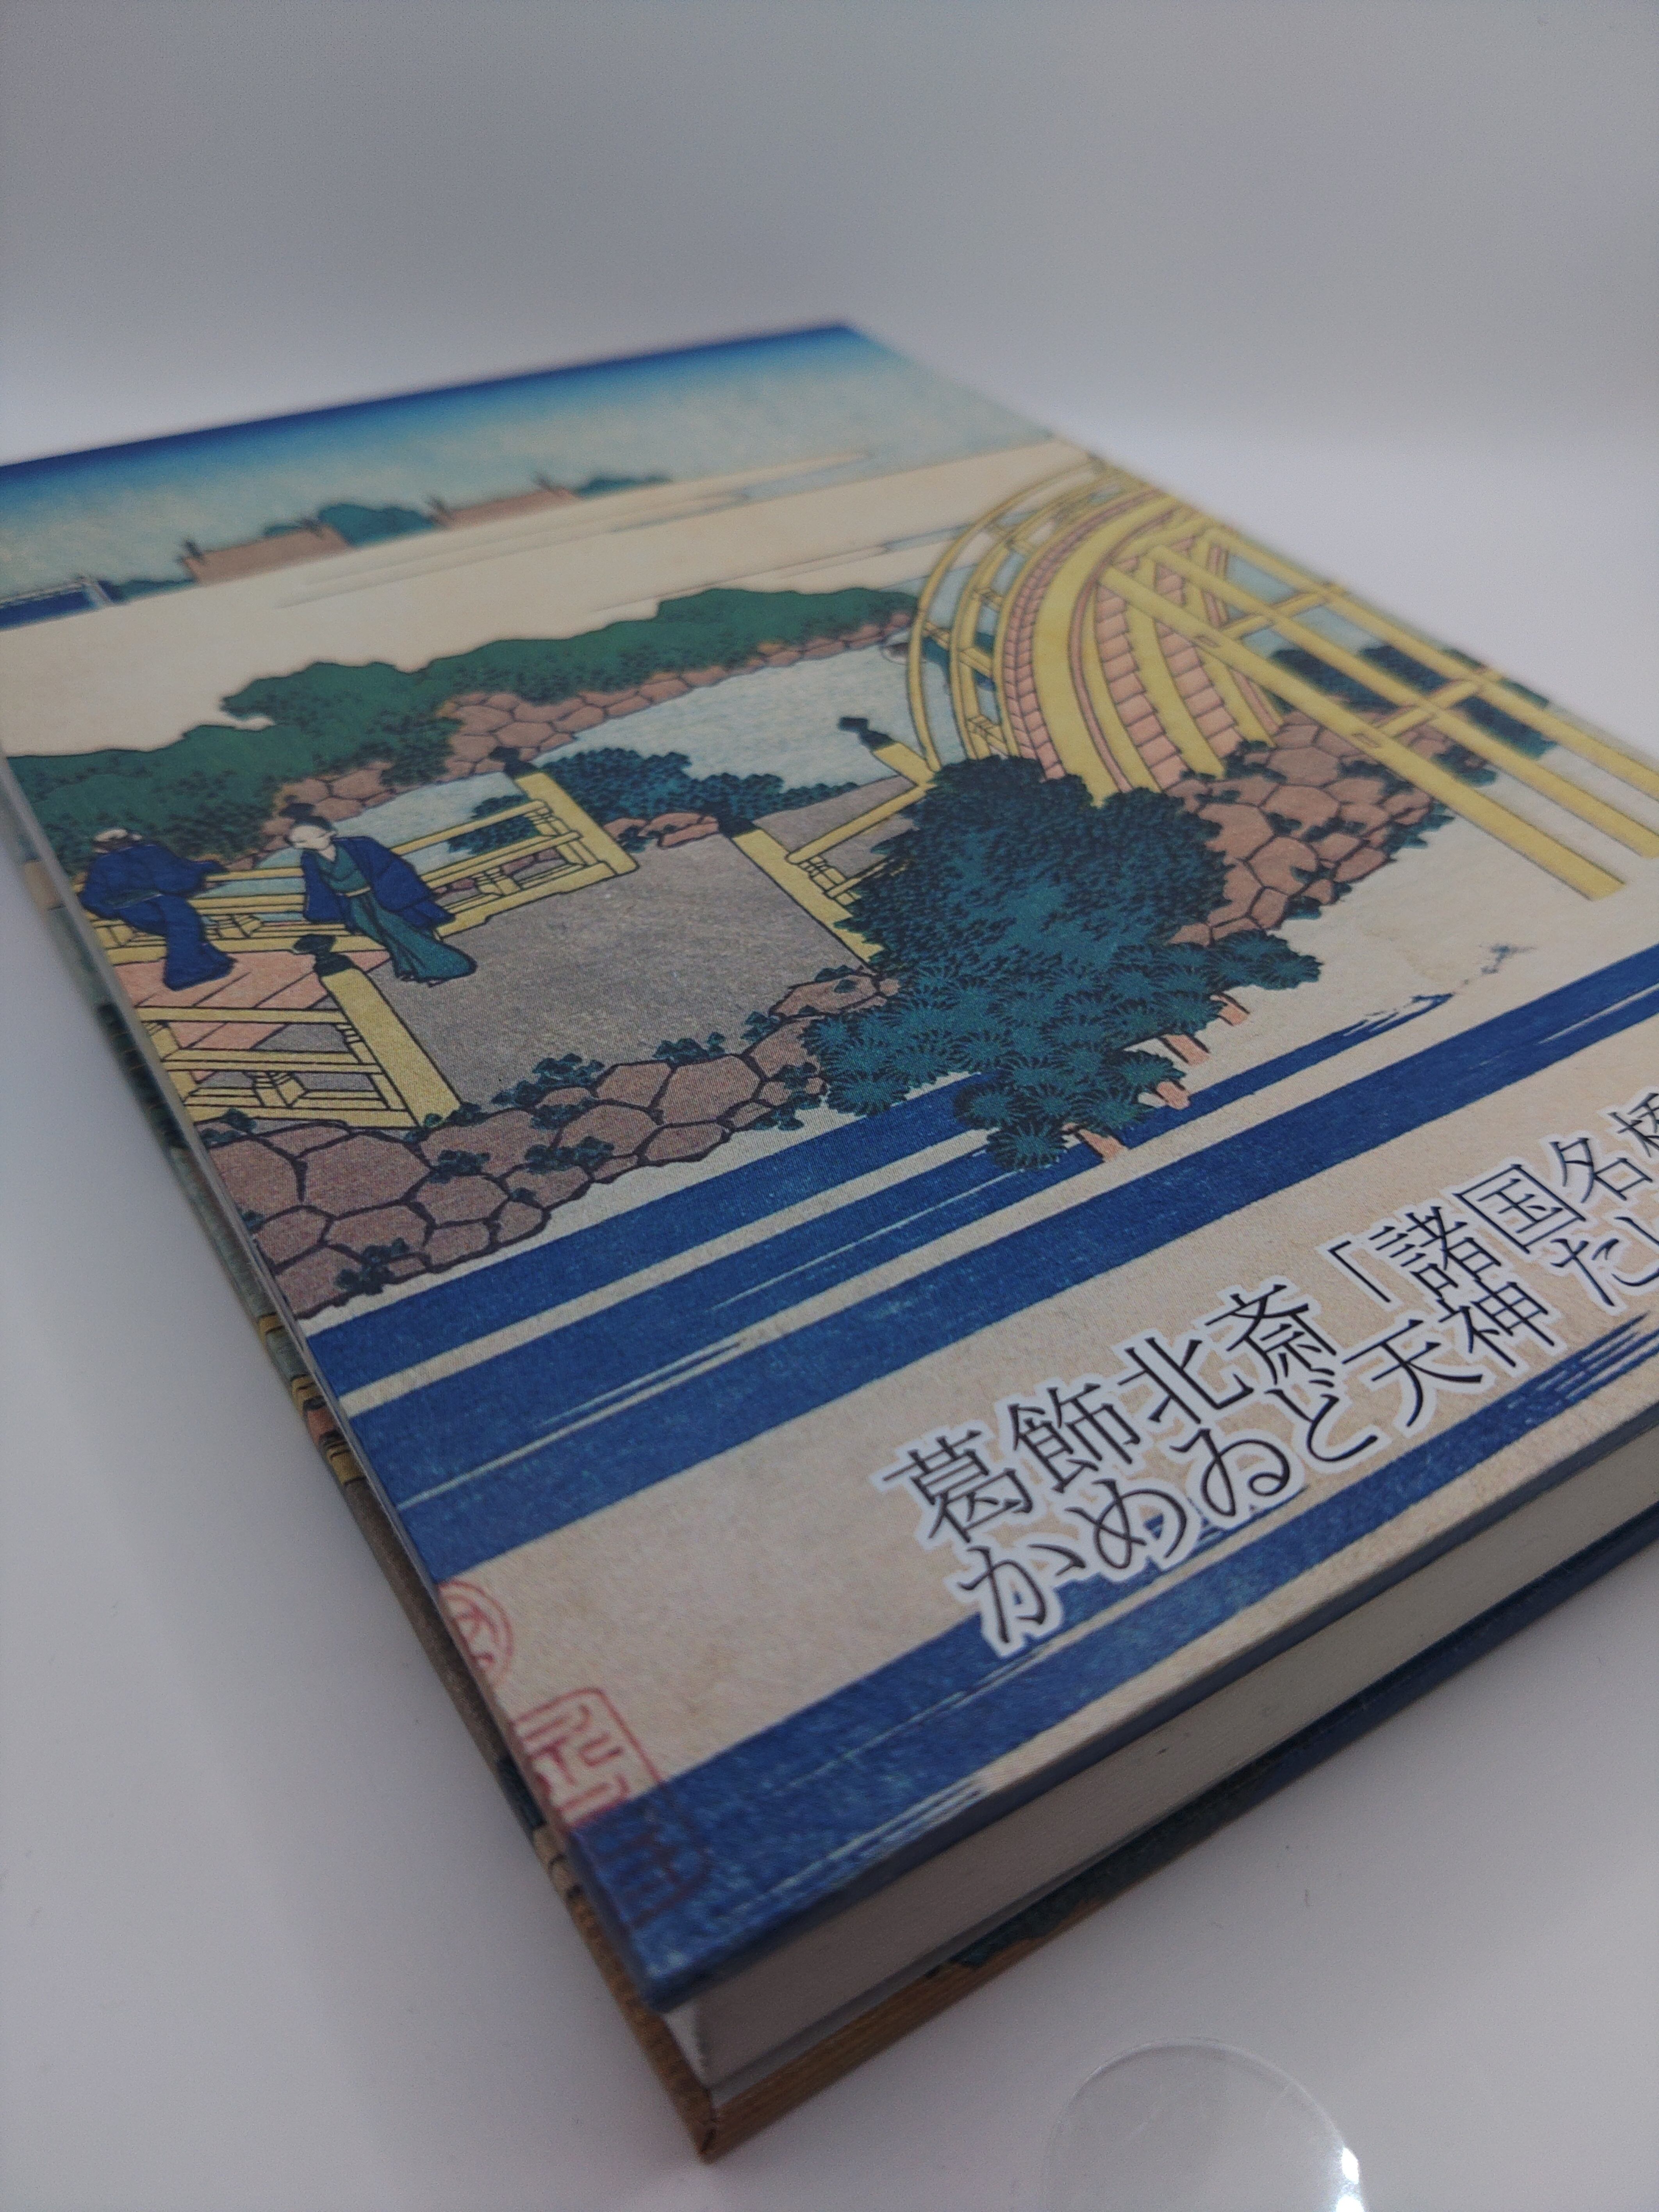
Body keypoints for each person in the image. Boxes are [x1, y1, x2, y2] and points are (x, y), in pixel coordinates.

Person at [287, 818, 476, 984]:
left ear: (330, 833)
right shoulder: (310, 859)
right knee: (381, 935)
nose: (307, 843)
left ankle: (450, 967)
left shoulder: (360, 845)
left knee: (402, 931)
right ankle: (409, 968)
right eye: (300, 842)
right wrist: (321, 910)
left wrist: (394, 892)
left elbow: (390, 866)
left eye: (314, 837)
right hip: (354, 904)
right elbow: (316, 886)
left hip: (382, 897)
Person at [80, 827, 234, 990]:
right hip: (164, 902)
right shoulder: (151, 852)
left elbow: (91, 898)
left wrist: (114, 911)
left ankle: (212, 961)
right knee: (186, 927)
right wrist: (208, 867)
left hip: (133, 911)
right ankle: (181, 975)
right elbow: (179, 877)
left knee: (184, 930)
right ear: (131, 839)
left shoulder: (101, 865)